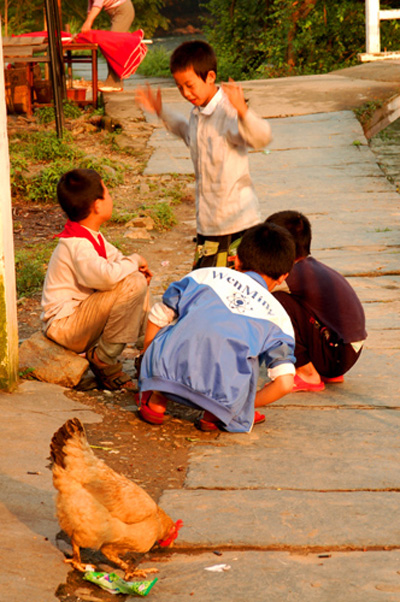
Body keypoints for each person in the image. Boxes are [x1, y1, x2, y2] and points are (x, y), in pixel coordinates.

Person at [137, 222, 296, 433]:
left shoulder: (204, 276)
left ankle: (157, 401)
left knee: (177, 325)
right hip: (222, 397)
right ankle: (213, 415)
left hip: (164, 374)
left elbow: (158, 315)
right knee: (249, 355)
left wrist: (148, 362)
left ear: (237, 259)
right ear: (284, 276)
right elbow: (285, 384)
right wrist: (245, 405)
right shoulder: (279, 318)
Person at [135, 40, 272, 270]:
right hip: (208, 223)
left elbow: (261, 137)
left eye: (189, 85)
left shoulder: (228, 111)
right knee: (209, 285)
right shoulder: (198, 113)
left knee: (229, 288)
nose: (186, 93)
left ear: (209, 77)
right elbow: (186, 132)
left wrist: (243, 111)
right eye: (180, 88)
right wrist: (161, 111)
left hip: (237, 222)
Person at [41, 168, 152, 391]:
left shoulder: (90, 236)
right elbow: (105, 277)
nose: (111, 198)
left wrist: (133, 267)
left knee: (134, 278)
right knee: (133, 281)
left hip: (79, 320)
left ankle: (147, 351)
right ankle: (103, 359)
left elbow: (117, 262)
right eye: (108, 193)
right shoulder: (77, 244)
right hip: (64, 327)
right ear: (98, 204)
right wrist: (136, 259)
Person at [266, 210, 367, 392]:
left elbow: (258, 290)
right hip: (345, 351)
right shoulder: (312, 268)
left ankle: (307, 373)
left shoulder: (294, 274)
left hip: (336, 354)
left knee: (275, 302)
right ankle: (324, 370)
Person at [81, 0, 135, 92]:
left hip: (123, 10)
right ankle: (112, 82)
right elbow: (91, 5)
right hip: (114, 12)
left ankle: (115, 83)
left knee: (113, 46)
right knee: (111, 45)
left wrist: (89, 22)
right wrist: (87, 22)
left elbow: (98, 4)